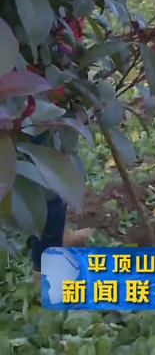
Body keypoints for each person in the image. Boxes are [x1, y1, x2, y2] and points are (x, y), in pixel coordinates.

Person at [27, 16, 94, 284]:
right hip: (32, 97)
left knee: (54, 168)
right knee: (50, 185)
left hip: (53, 91)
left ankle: (58, 234)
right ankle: (43, 270)